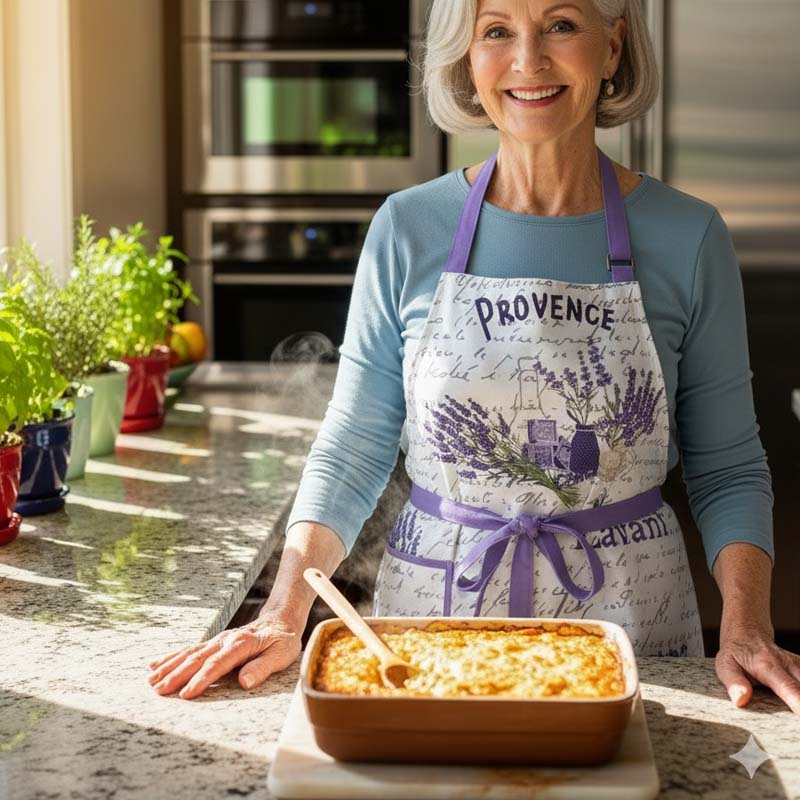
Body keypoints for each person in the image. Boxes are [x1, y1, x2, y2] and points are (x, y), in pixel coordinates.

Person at [148, 0, 800, 715]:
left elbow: (729, 465)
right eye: (497, 31)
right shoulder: (407, 226)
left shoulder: (690, 236)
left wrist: (747, 626)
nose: (528, 61)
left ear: (612, 47)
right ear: (466, 55)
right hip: (430, 621)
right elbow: (354, 447)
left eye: (560, 24)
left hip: (632, 620)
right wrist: (283, 611)